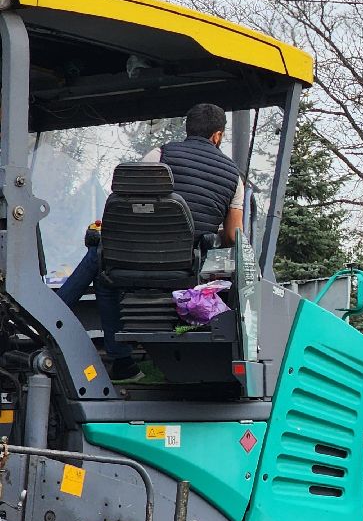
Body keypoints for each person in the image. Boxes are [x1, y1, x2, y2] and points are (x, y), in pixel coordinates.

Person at [58, 103, 242, 380]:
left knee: (102, 266)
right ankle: (125, 363)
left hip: (131, 259)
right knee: (103, 264)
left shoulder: (160, 154)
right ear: (217, 135)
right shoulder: (233, 175)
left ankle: (107, 351)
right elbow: (233, 236)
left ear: (188, 129)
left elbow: (129, 203)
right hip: (185, 268)